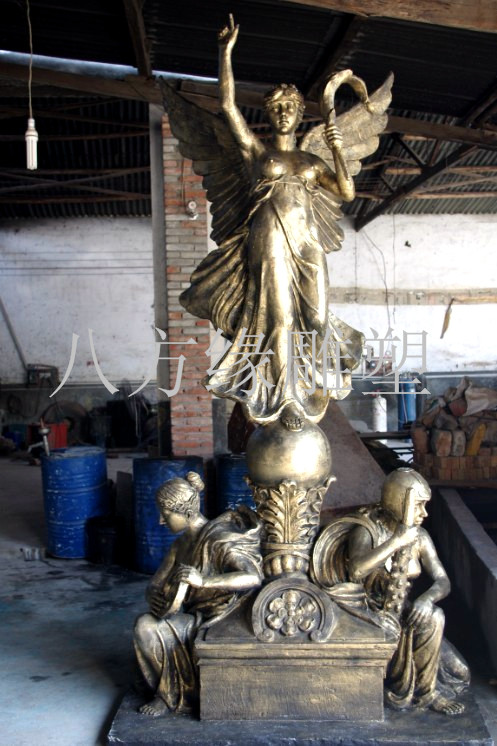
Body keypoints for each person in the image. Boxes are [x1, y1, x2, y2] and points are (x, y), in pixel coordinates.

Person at [177, 16, 368, 430]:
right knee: (279, 321)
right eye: (276, 107)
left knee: (316, 320)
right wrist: (225, 53)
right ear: (268, 113)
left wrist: (337, 149)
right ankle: (286, 399)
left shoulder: (312, 160)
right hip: (268, 238)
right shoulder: (258, 154)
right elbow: (228, 107)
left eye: (290, 108)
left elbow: (347, 192)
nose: (283, 113)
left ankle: (315, 382)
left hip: (307, 244)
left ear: (300, 114)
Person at [312, 468, 469, 715]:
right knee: (436, 618)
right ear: (399, 503)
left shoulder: (420, 537)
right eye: (418, 505)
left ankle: (424, 683)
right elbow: (357, 569)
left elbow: (442, 581)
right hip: (369, 612)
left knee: (460, 673)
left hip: (403, 610)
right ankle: (427, 694)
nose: (424, 513)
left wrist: (426, 599)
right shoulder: (367, 531)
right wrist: (397, 541)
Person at [134, 471, 263, 717]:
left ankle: (171, 695)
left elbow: (253, 576)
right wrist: (155, 597)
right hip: (196, 616)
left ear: (186, 512)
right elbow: (155, 584)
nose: (161, 521)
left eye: (166, 514)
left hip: (225, 617)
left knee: (159, 631)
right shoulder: (179, 545)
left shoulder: (220, 539)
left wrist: (204, 581)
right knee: (145, 626)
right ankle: (168, 692)